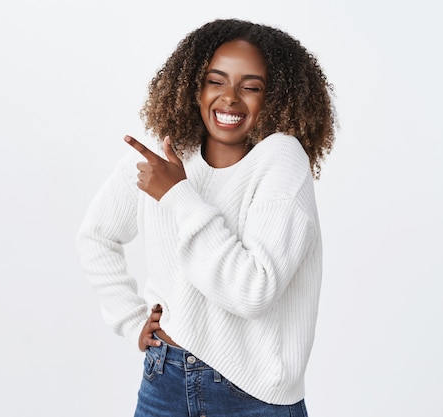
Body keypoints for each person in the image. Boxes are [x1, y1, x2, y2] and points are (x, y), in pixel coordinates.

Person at [76, 18, 335, 417]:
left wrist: (178, 194)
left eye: (250, 87)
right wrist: (132, 321)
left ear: (276, 97)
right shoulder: (161, 155)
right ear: (193, 88)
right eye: (216, 81)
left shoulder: (281, 159)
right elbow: (96, 236)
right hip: (165, 380)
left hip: (254, 398)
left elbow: (253, 291)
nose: (230, 98)